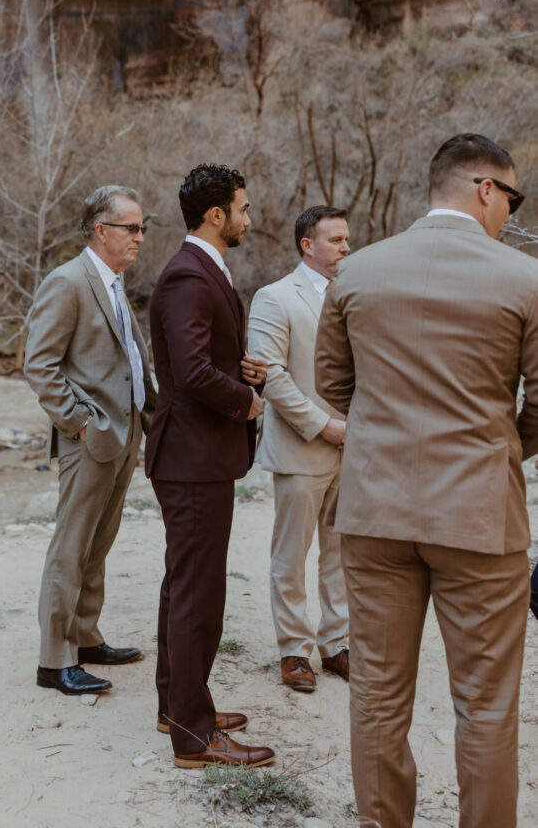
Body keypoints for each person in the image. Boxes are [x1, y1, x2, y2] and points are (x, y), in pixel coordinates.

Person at [314, 133, 538, 828]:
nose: (511, 212)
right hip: (478, 516)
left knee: (376, 696)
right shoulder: (523, 278)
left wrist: (388, 440)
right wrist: (499, 447)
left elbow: (331, 385)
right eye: (512, 197)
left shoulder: (356, 273)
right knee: (486, 702)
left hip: (375, 513)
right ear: (482, 188)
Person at [145, 163, 275, 769]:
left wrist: (240, 370)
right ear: (216, 215)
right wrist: (246, 401)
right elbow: (192, 373)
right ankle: (193, 736)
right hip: (192, 457)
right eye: (243, 209)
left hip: (198, 456)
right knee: (198, 593)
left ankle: (178, 704)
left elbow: (203, 358)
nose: (249, 219)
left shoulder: (202, 270)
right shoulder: (187, 278)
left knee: (186, 585)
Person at [24, 185, 156, 696]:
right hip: (91, 436)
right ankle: (54, 662)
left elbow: (128, 359)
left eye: (142, 228)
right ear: (101, 231)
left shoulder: (114, 282)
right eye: (132, 228)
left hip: (126, 435)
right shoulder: (68, 281)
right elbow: (40, 364)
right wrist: (79, 422)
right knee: (71, 546)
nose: (140, 238)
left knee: (98, 543)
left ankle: (85, 637)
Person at [248, 206, 350, 694]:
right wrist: (323, 426)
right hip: (302, 445)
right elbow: (271, 377)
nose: (346, 247)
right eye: (335, 240)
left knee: (342, 553)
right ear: (308, 245)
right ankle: (294, 650)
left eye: (347, 239)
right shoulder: (273, 298)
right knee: (291, 555)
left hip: (355, 448)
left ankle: (338, 644)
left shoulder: (356, 295)